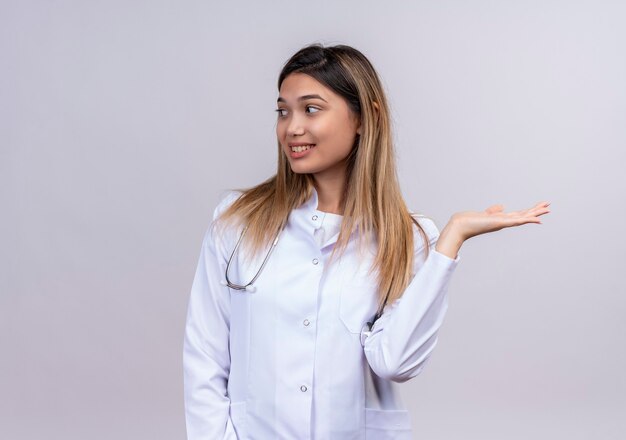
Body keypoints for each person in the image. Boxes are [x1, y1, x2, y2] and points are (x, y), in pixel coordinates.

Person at [182, 43, 550, 439]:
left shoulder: (407, 238)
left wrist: (450, 241)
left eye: (311, 108)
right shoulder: (237, 221)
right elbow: (205, 356)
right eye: (283, 111)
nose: (292, 128)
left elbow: (395, 362)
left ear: (363, 117)